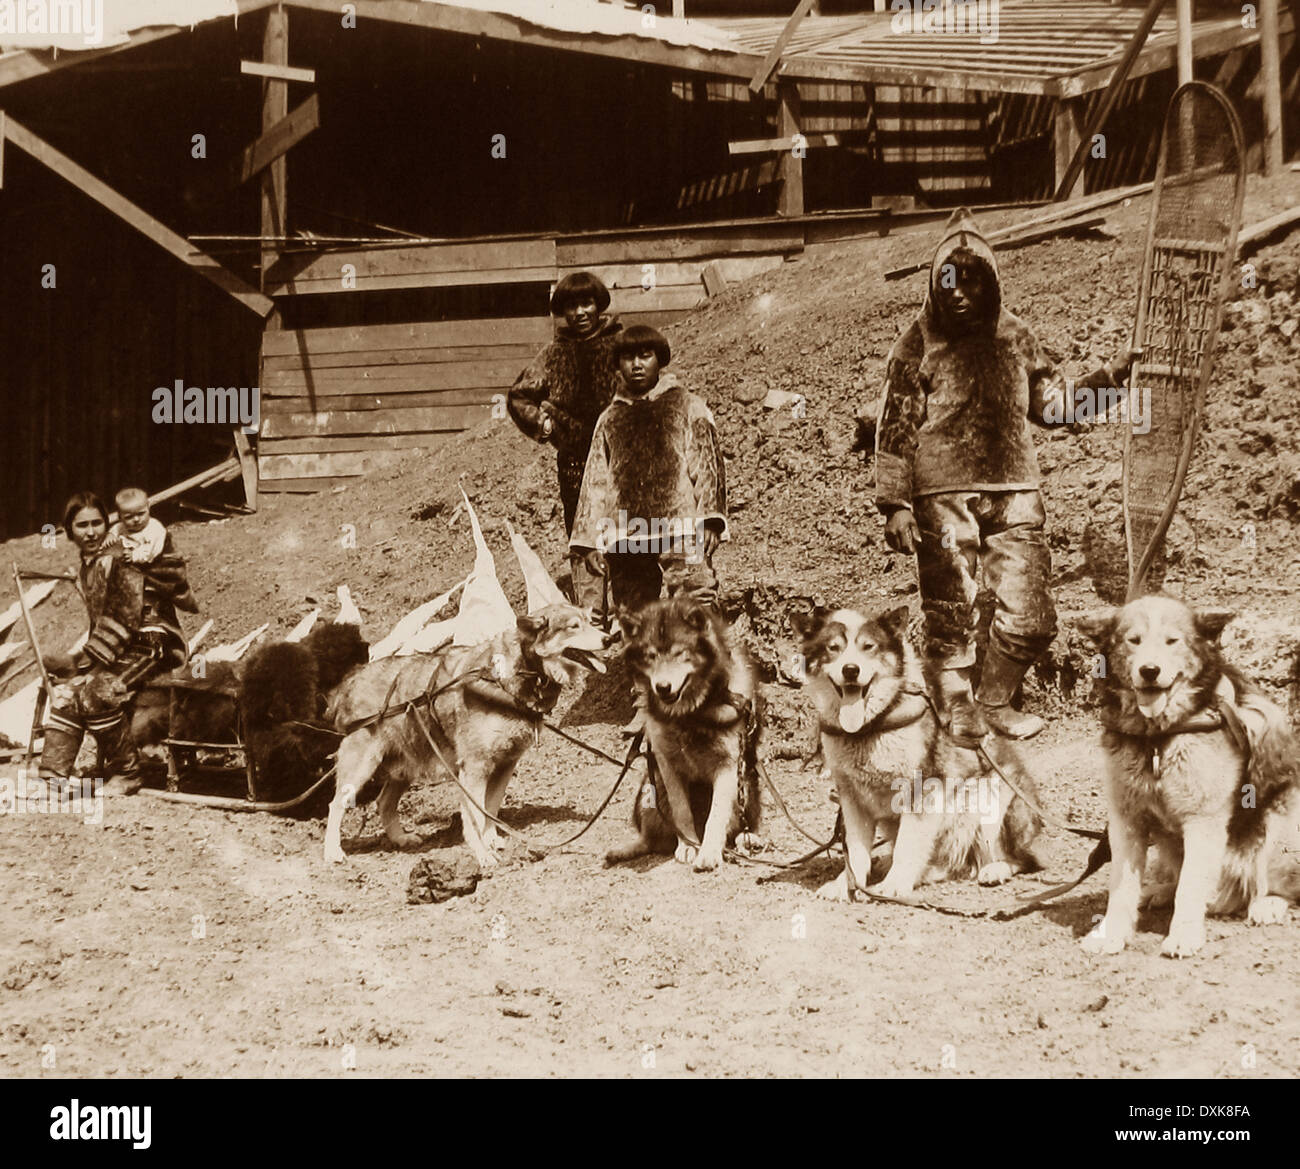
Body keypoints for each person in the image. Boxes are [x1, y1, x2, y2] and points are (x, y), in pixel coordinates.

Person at [875, 208, 1130, 741]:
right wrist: (895, 504)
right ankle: (957, 707)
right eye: (950, 281)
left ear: (990, 283)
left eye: (972, 280)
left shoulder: (1017, 336)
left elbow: (1055, 406)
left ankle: (993, 701)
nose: (961, 293)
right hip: (942, 494)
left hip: (1016, 490)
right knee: (952, 608)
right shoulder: (915, 341)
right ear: (933, 284)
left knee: (1031, 609)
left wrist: (1110, 378)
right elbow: (896, 426)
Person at [38, 492, 194, 795]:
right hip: (119, 645)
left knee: (98, 692)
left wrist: (91, 665)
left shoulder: (121, 555)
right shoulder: (90, 564)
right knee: (68, 691)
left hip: (150, 643)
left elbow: (125, 617)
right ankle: (53, 777)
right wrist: (83, 665)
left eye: (97, 522)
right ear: (69, 531)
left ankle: (128, 773)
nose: (92, 531)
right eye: (82, 525)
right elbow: (103, 623)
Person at [569, 325, 727, 614]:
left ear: (660, 360)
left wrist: (711, 520)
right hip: (627, 534)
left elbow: (707, 464)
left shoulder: (687, 405)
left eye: (645, 356)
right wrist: (589, 541)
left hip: (681, 526)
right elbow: (595, 482)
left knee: (696, 602)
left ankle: (704, 658)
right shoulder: (609, 418)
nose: (637, 365)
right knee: (635, 616)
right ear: (618, 365)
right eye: (628, 358)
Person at [507, 271, 623, 612]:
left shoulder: (621, 343)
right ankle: (592, 612)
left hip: (620, 457)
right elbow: (518, 396)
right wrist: (544, 425)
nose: (580, 313)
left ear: (599, 304)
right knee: (582, 533)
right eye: (571, 306)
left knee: (625, 528)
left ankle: (625, 611)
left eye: (587, 303)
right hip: (575, 461)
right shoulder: (553, 354)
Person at [103, 486, 167, 564]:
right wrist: (109, 536)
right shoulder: (119, 527)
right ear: (120, 516)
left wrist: (134, 555)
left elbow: (152, 552)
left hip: (146, 565)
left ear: (148, 507)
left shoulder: (155, 528)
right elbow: (113, 532)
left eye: (141, 513)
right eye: (129, 517)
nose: (136, 520)